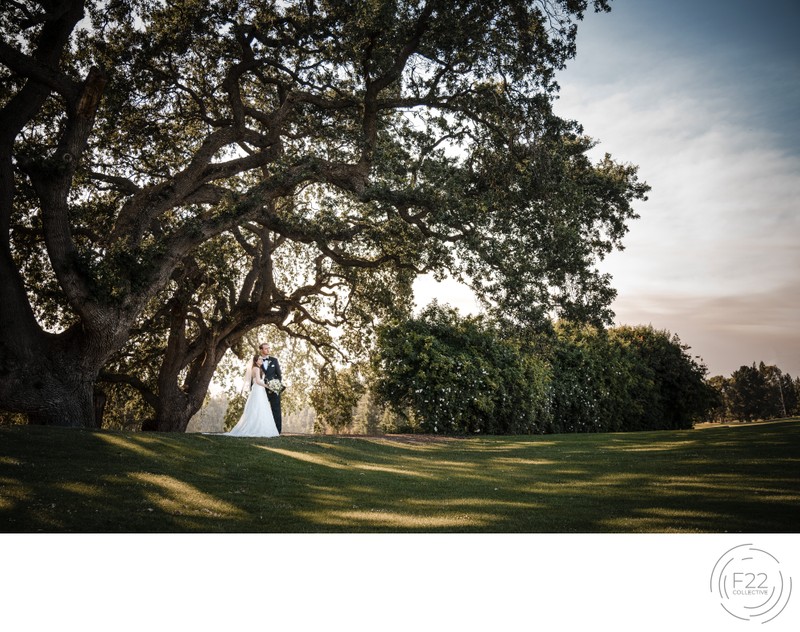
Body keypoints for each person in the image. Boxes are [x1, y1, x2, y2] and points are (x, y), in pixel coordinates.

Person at [224, 355, 279, 438]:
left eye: (261, 359)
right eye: (259, 359)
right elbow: (257, 381)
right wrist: (267, 386)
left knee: (261, 407)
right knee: (257, 407)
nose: (261, 360)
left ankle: (262, 428)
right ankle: (255, 428)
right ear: (256, 361)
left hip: (260, 390)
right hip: (258, 389)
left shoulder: (259, 368)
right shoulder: (256, 369)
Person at [258, 342, 283, 434]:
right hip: (261, 389)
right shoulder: (257, 360)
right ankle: (262, 430)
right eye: (266, 348)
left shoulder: (274, 360)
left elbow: (279, 375)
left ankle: (277, 431)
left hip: (274, 389)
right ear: (261, 350)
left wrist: (275, 385)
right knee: (261, 409)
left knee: (276, 409)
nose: (268, 350)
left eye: (269, 348)